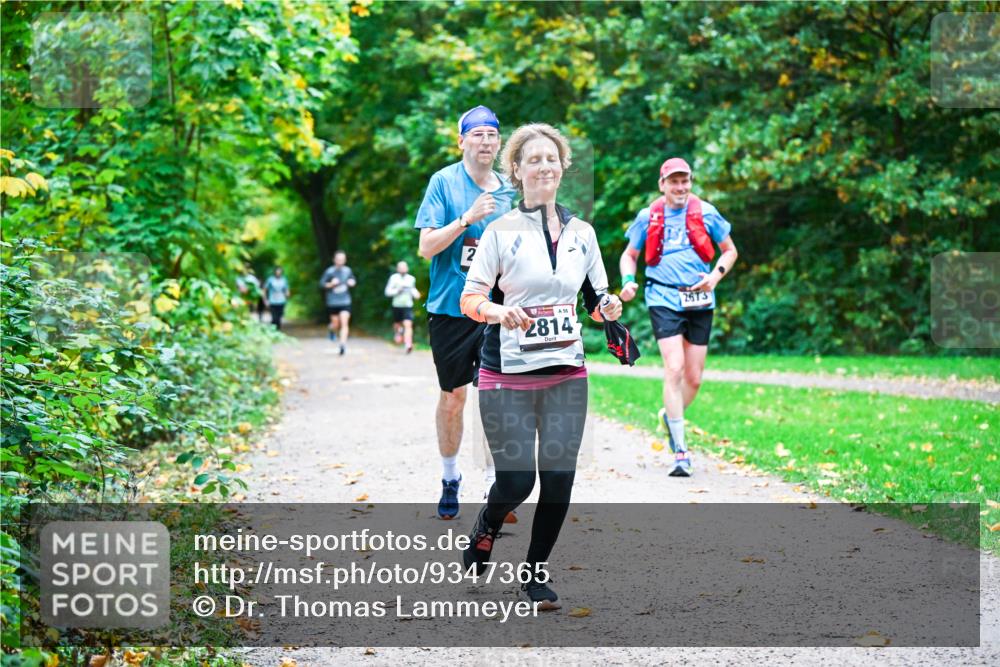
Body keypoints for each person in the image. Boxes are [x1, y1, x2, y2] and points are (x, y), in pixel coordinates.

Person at [460, 123, 623, 609]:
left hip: (565, 372)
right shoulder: (499, 232)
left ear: (563, 166)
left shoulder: (583, 234)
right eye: (533, 159)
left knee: (558, 478)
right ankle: (488, 522)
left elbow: (595, 301)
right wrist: (497, 310)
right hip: (505, 374)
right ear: (517, 170)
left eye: (551, 158)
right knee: (516, 481)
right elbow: (470, 299)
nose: (544, 166)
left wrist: (608, 310)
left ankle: (534, 573)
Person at [415, 105, 516, 520]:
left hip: (496, 308)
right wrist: (466, 220)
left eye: (493, 134)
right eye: (477, 134)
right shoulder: (443, 182)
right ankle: (450, 476)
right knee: (453, 397)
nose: (486, 141)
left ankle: (496, 488)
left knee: (495, 396)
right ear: (462, 141)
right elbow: (426, 247)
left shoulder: (511, 189)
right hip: (450, 308)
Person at [618, 157, 738, 477]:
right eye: (674, 181)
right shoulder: (649, 217)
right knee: (674, 367)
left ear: (691, 183)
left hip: (700, 299)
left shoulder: (706, 212)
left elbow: (729, 250)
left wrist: (715, 277)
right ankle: (681, 452)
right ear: (663, 185)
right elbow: (630, 255)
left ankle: (670, 416)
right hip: (663, 297)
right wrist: (629, 282)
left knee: (694, 378)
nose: (680, 187)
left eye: (685, 181)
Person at [319, 251, 356, 355]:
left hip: (345, 301)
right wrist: (331, 284)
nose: (341, 261)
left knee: (344, 322)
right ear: (334, 260)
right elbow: (322, 284)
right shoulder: (329, 271)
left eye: (342, 259)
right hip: (333, 302)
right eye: (338, 259)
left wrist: (352, 282)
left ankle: (342, 344)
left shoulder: (348, 270)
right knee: (336, 324)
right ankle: (331, 330)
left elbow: (352, 280)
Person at [384, 260, 420, 353]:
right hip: (397, 305)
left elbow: (413, 289)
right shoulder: (393, 278)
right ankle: (398, 332)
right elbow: (387, 292)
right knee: (397, 324)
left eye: (404, 267)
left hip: (407, 305)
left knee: (408, 324)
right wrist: (397, 291)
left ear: (407, 268)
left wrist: (416, 294)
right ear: (397, 269)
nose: (403, 269)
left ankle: (408, 344)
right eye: (401, 267)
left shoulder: (411, 279)